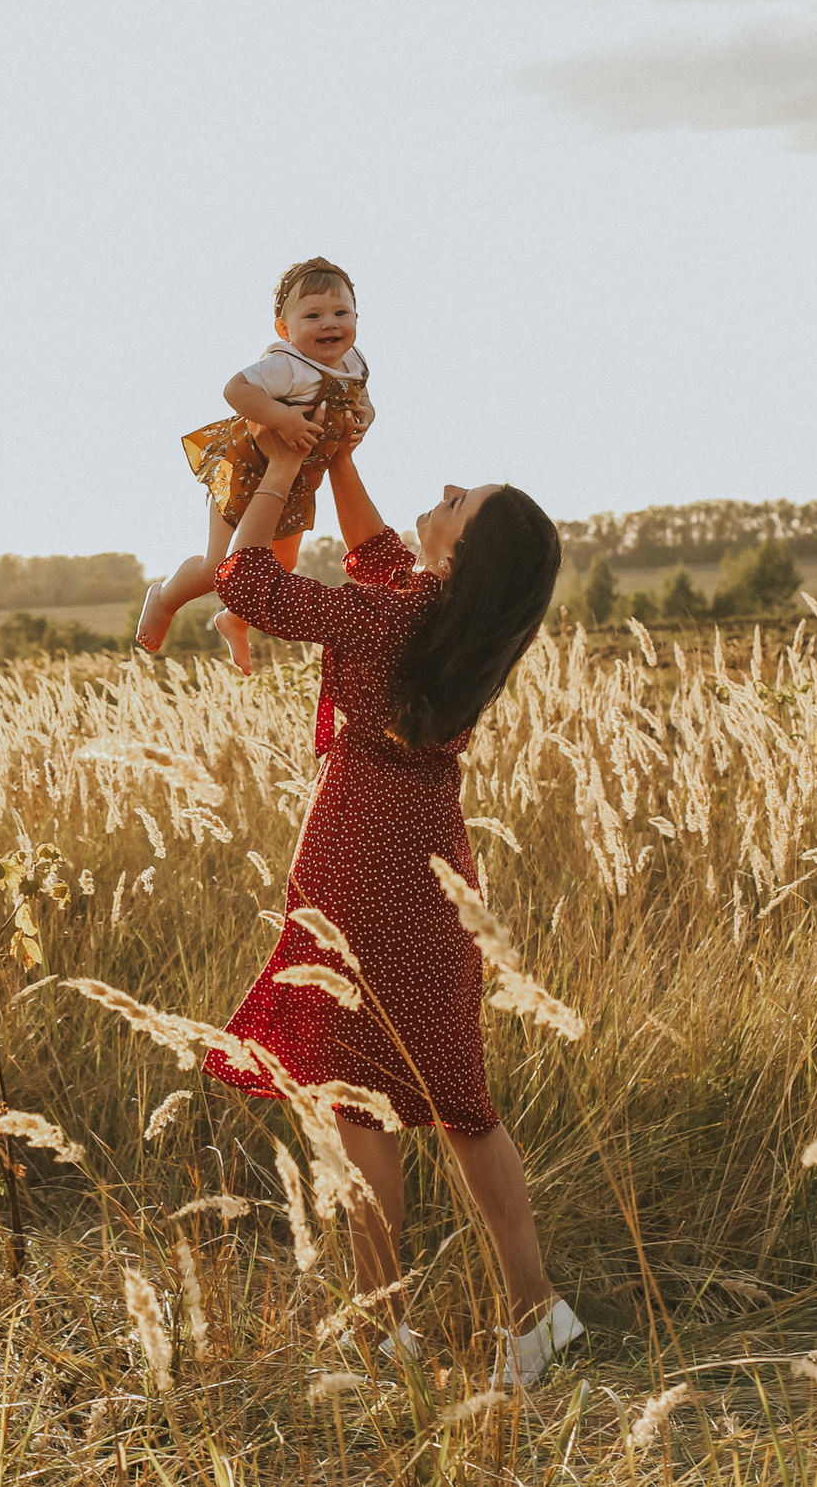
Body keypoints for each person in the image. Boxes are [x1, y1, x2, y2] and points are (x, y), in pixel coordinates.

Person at [199, 416, 579, 1386]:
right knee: (462, 1098)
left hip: (361, 858)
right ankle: (534, 1312)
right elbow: (374, 551)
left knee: (352, 1090)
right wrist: (342, 459)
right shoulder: (445, 615)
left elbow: (249, 585)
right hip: (435, 861)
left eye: (457, 503)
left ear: (460, 553)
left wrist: (285, 467)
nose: (444, 489)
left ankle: (380, 1321)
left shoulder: (398, 617)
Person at [137, 258, 374, 672]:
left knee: (276, 569)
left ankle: (234, 620)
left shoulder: (353, 361)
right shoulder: (286, 366)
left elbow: (361, 397)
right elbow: (236, 389)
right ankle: (165, 597)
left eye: (341, 313)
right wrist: (281, 417)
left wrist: (365, 419)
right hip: (248, 470)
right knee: (219, 566)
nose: (329, 324)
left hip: (296, 482)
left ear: (356, 316)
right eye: (312, 315)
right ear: (285, 329)